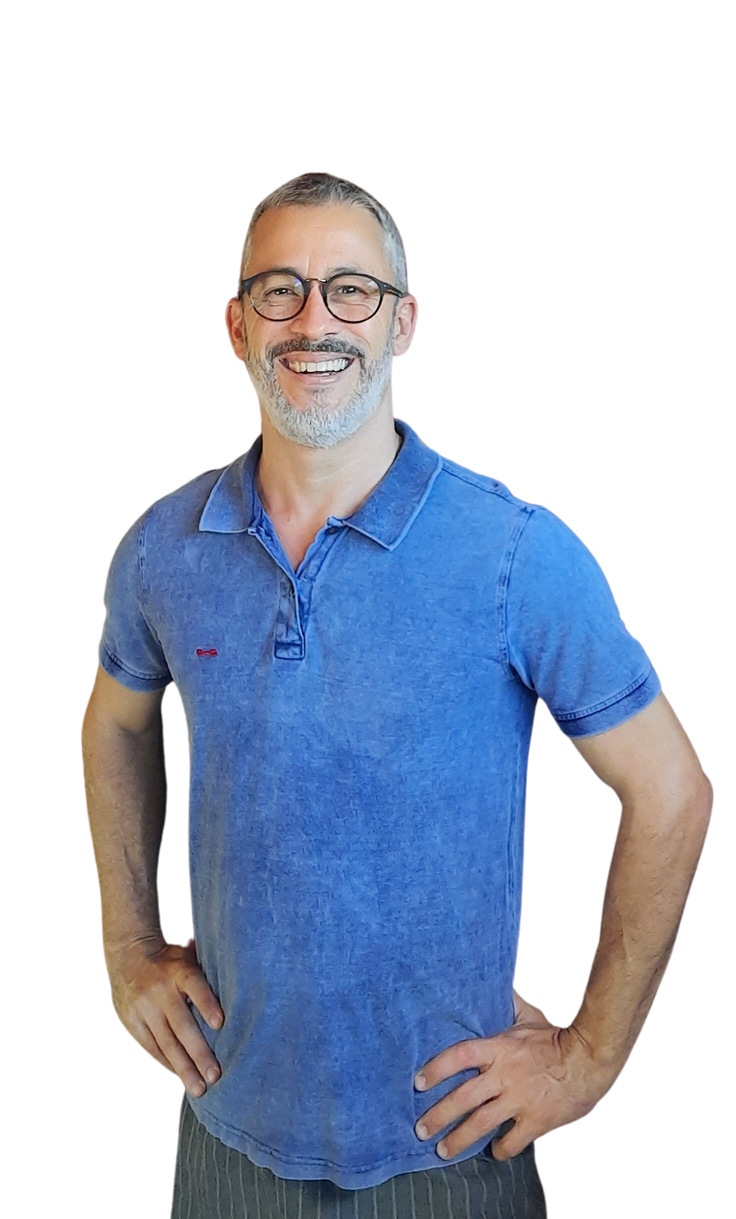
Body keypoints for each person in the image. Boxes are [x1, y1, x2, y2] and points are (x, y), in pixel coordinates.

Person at [79, 170, 714, 1219]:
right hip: (224, 1122)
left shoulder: (516, 553)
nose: (314, 320)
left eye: (352, 290)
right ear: (235, 326)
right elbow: (113, 723)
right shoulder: (159, 546)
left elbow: (671, 792)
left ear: (404, 323)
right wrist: (127, 948)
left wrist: (588, 1059)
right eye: (279, 290)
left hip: (453, 1141)